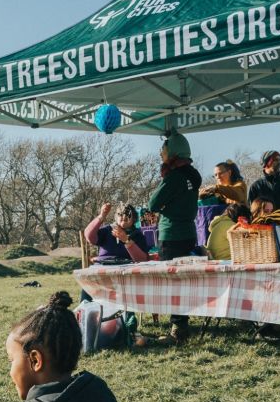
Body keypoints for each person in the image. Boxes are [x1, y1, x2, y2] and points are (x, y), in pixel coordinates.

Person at [147, 133, 202, 344]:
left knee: (172, 282)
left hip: (171, 235)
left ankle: (178, 329)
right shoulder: (193, 175)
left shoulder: (175, 177)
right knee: (183, 280)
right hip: (188, 233)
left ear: (173, 153)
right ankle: (182, 324)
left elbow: (153, 203)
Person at [84, 202, 149, 263]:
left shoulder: (138, 235)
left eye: (128, 214)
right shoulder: (108, 230)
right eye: (120, 214)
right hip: (104, 266)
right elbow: (89, 237)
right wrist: (101, 216)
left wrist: (127, 241)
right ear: (116, 217)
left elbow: (143, 259)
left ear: (134, 219)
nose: (124, 216)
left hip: (125, 269)